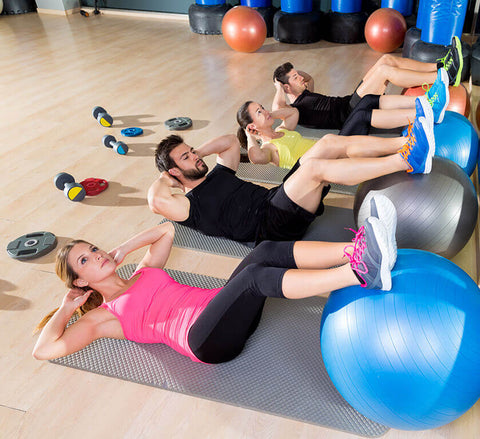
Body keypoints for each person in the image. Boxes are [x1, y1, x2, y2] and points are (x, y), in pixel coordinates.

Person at [32, 195, 397, 364]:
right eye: (85, 259)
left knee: (265, 250)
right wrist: (66, 309)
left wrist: (125, 247)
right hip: (205, 342)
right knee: (255, 276)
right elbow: (44, 350)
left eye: (93, 248)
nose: (96, 254)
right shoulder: (103, 317)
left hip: (222, 311)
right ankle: (360, 273)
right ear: (80, 282)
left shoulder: (142, 272)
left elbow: (166, 233)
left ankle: (355, 249)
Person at [147, 116, 433, 245]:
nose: (195, 157)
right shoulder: (189, 206)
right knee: (313, 169)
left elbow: (228, 143)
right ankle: (406, 160)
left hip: (277, 200)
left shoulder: (218, 174)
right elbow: (155, 201)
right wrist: (165, 177)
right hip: (270, 227)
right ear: (173, 172)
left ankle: (404, 142)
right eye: (185, 159)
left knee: (329, 143)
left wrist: (195, 152)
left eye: (191, 152)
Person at [271, 37, 461, 134]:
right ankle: (444, 76)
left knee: (385, 59)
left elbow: (310, 78)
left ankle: (441, 65)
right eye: (295, 78)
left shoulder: (304, 93)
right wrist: (279, 86)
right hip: (350, 113)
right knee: (383, 71)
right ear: (286, 88)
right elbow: (277, 108)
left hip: (350, 102)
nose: (301, 79)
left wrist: (293, 73)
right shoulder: (294, 109)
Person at [236, 95, 435, 170]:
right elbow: (256, 158)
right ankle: (409, 138)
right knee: (360, 117)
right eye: (259, 112)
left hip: (332, 148)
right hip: (324, 162)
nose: (265, 111)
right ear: (252, 127)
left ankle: (422, 104)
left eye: (262, 107)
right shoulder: (270, 148)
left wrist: (270, 113)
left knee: (366, 101)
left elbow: (292, 113)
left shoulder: (282, 131)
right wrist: (249, 135)